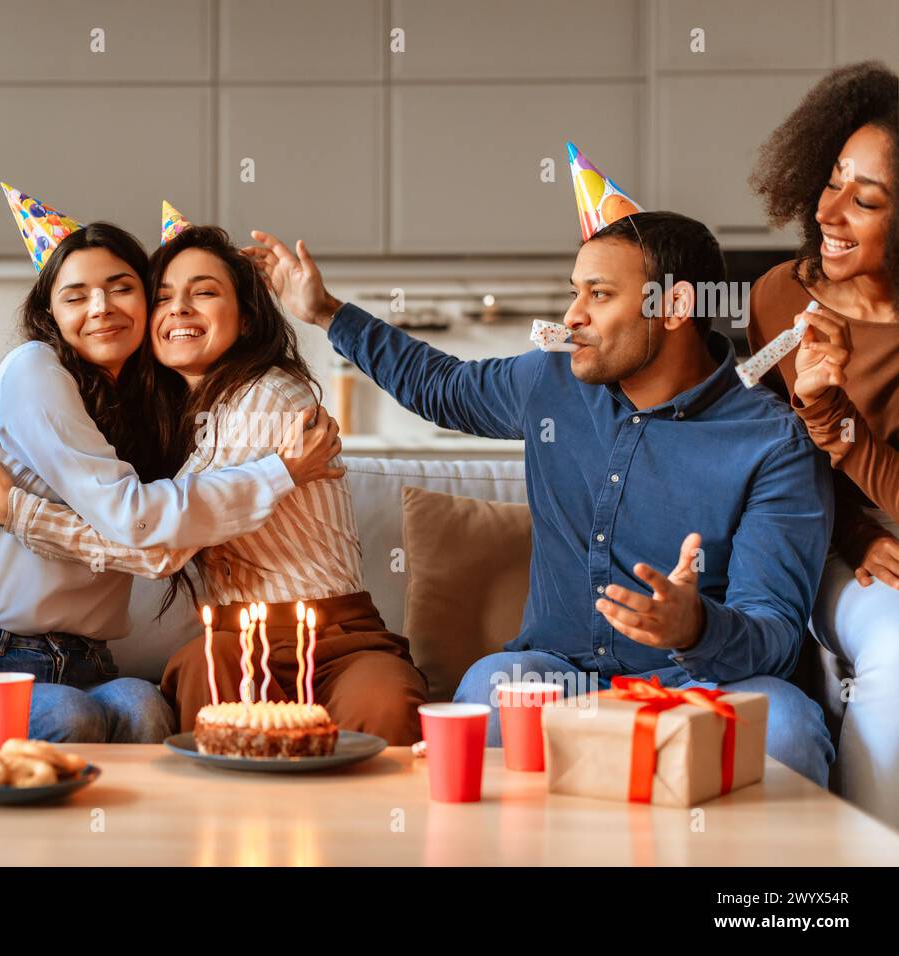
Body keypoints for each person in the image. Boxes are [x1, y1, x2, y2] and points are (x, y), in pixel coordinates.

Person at [244, 210, 836, 786]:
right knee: (491, 690)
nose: (572, 316)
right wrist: (324, 312)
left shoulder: (772, 442)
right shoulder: (552, 382)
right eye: (574, 292)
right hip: (559, 677)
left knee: (785, 726)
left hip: (698, 684)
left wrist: (696, 628)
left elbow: (775, 633)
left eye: (599, 295)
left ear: (675, 307)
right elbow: (441, 387)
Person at [0, 223, 428, 744]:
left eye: (203, 292)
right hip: (232, 641)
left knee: (382, 708)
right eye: (163, 297)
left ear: (246, 319)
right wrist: (25, 386)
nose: (177, 309)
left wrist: (16, 512)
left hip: (338, 637)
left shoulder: (268, 399)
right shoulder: (165, 421)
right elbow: (146, 514)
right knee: (199, 678)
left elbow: (158, 550)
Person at [746, 61, 899, 821]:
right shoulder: (780, 297)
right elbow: (774, 461)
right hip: (829, 542)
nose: (831, 211)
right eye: (833, 179)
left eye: (866, 199)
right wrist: (857, 532)